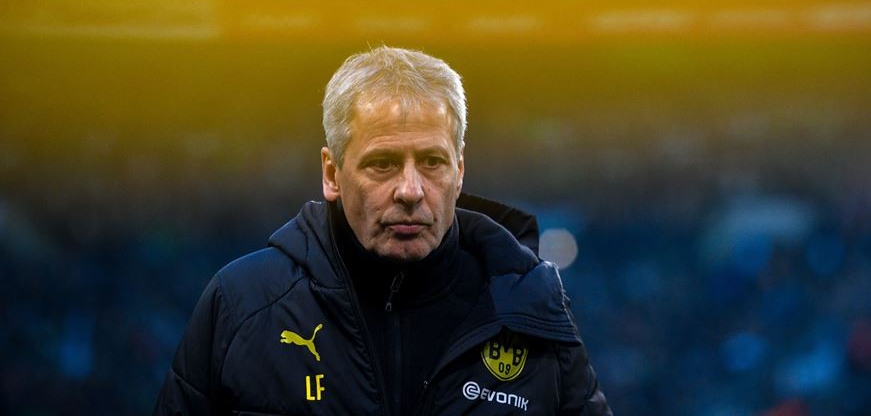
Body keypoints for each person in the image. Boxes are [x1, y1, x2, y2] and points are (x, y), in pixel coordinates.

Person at [154, 46, 612, 415]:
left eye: (432, 162)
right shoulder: (242, 305)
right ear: (332, 174)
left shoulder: (531, 310)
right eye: (383, 163)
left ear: (460, 169)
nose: (411, 190)